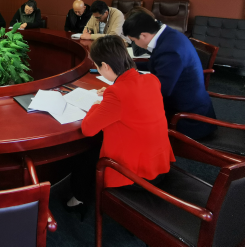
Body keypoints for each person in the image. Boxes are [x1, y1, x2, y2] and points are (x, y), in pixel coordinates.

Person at [67, 35, 175, 214]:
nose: (97, 69)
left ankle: (79, 198)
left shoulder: (117, 94)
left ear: (106, 66)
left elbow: (88, 129)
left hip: (137, 176)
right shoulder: (151, 80)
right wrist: (110, 93)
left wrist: (98, 104)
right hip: (159, 165)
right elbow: (133, 101)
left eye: (97, 66)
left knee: (86, 154)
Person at [123, 11, 217, 139]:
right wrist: (129, 66)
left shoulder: (170, 49)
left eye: (133, 40)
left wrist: (125, 82)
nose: (135, 43)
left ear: (143, 35)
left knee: (129, 120)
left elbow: (159, 90)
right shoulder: (168, 35)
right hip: (185, 105)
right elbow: (157, 65)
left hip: (187, 119)